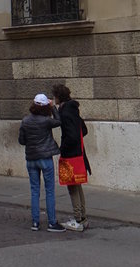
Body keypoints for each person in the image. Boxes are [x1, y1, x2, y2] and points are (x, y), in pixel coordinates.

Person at [18, 92, 64, 231]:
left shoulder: (25, 121)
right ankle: (51, 222)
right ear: (45, 107)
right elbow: (59, 121)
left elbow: (21, 141)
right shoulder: (46, 121)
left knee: (34, 190)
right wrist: (54, 107)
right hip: (45, 158)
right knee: (49, 190)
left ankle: (35, 222)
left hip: (31, 159)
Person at [51, 83, 90, 231]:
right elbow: (83, 130)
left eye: (54, 96)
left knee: (72, 187)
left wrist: (63, 148)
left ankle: (78, 219)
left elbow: (71, 136)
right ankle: (83, 217)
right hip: (79, 154)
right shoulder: (74, 110)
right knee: (77, 185)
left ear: (58, 97)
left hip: (70, 155)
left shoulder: (65, 113)